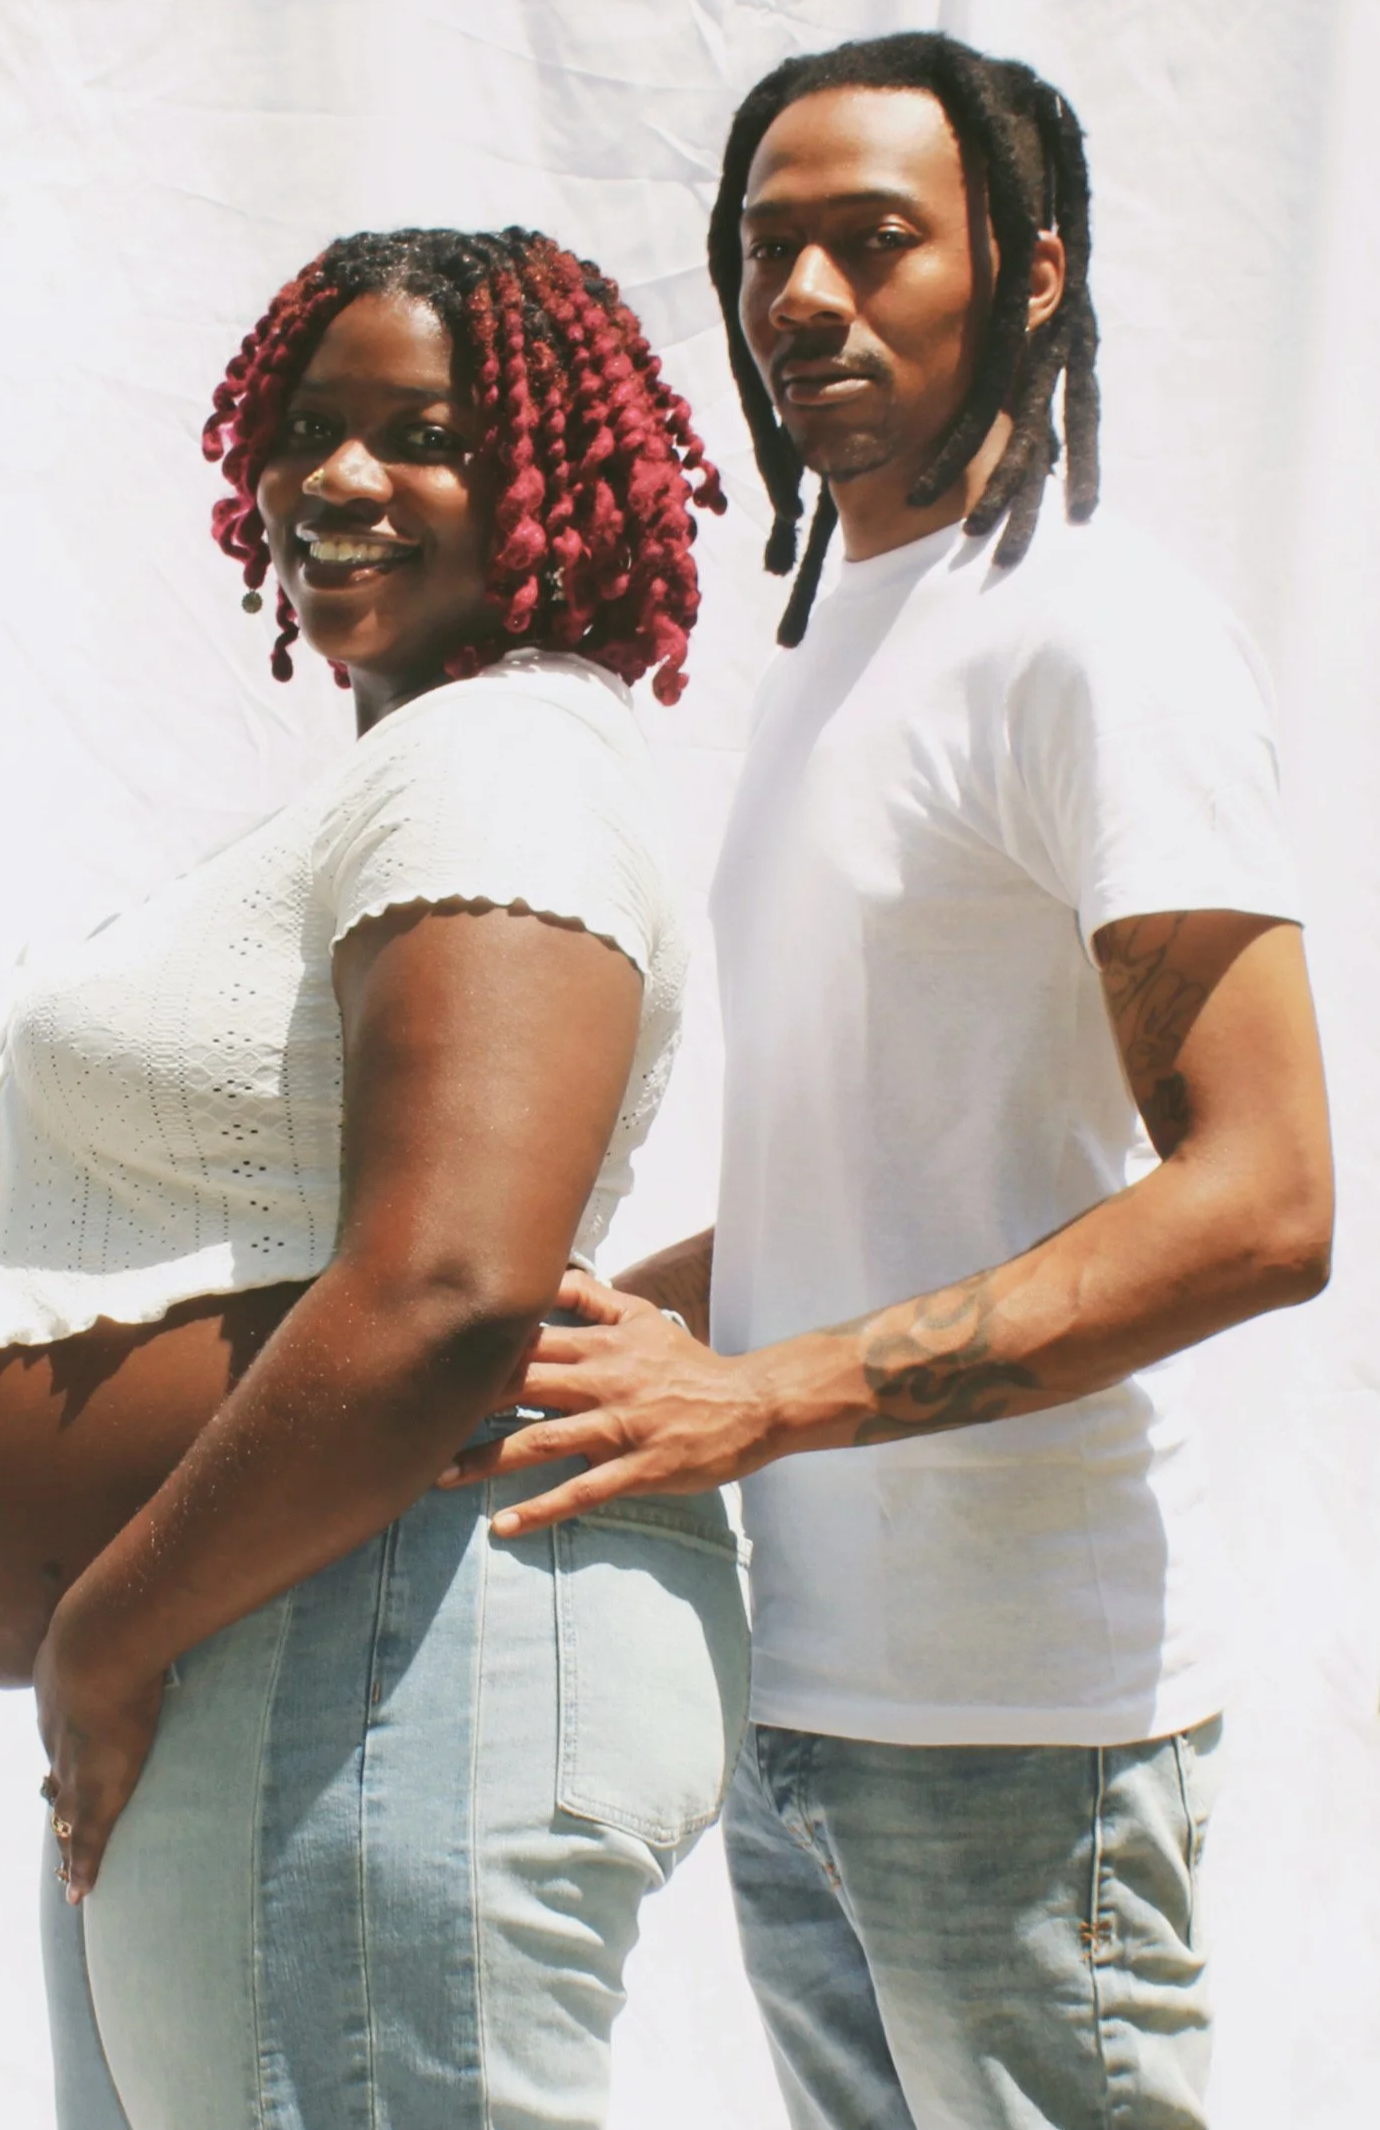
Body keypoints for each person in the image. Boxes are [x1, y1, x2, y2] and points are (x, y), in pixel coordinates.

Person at [444, 33, 1334, 2130]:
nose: (808, 300)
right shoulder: (847, 629)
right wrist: (571, 1335)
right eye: (772, 249)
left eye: (877, 241)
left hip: (1022, 1723)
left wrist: (762, 1399)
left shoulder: (1094, 638)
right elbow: (882, 1179)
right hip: (812, 1692)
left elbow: (1267, 1200)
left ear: (1031, 269)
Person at [0, 228, 746, 2128]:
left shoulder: (503, 762)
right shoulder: (411, 778)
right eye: (312, 426)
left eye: (422, 437)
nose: (338, 477)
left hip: (373, 1641)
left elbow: (448, 1285)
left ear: (550, 478)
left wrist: (105, 1631)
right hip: (281, 1642)